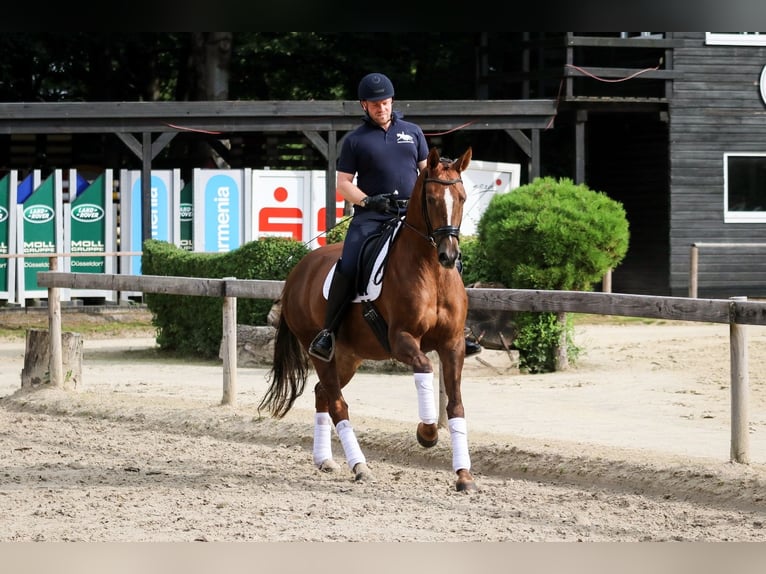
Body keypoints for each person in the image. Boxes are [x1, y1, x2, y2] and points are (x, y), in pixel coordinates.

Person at [308, 72, 482, 362]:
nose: (382, 108)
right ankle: (328, 332)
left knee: (451, 259)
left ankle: (458, 329)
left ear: (392, 102)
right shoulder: (354, 140)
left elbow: (429, 172)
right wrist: (367, 200)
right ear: (364, 105)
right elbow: (343, 184)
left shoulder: (413, 132)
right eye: (375, 104)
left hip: (411, 215)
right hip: (373, 216)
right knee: (349, 262)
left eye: (386, 103)